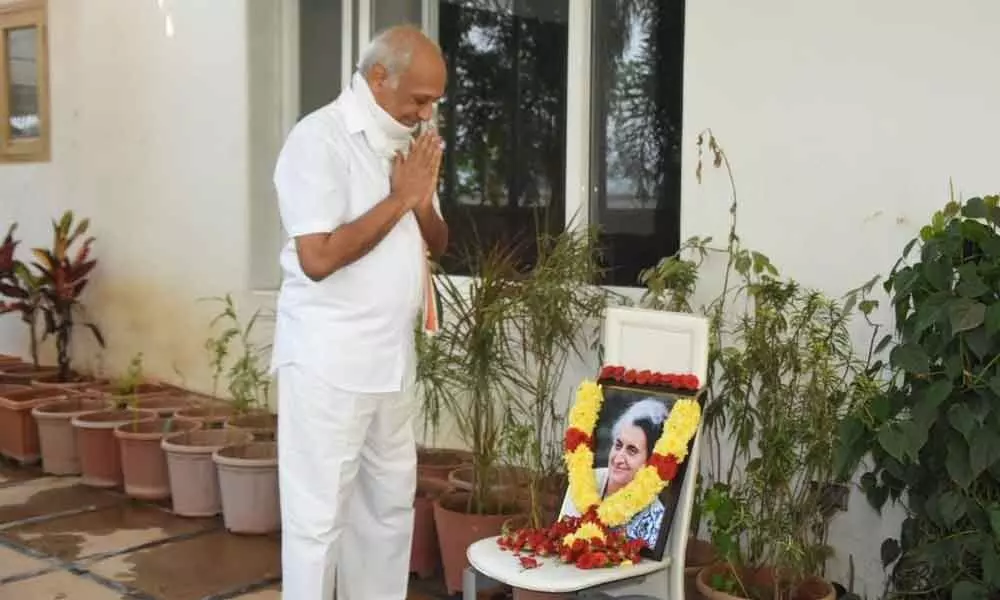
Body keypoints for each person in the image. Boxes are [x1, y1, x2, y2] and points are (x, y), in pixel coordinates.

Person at [270, 25, 448, 600]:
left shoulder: (408, 144)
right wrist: (399, 198)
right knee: (318, 523)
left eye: (434, 104)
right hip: (328, 366)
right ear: (379, 78)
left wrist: (420, 202)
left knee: (388, 511)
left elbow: (439, 244)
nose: (426, 114)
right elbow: (317, 257)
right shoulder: (317, 140)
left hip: (391, 364)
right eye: (420, 99)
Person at [561, 398, 668, 549]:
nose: (618, 458)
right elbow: (561, 538)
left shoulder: (655, 516)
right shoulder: (585, 481)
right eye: (618, 446)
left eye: (632, 451)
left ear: (650, 462)